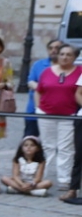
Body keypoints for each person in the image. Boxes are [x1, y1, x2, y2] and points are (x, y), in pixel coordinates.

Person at [32, 43, 80, 195]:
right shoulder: (47, 71)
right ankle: (42, 177)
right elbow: (39, 91)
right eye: (62, 54)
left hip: (68, 115)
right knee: (47, 146)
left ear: (75, 57)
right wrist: (38, 109)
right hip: (46, 114)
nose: (65, 57)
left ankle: (64, 180)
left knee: (66, 148)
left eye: (68, 55)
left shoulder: (79, 72)